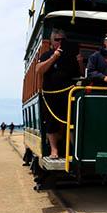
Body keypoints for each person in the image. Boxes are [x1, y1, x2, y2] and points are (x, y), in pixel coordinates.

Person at [36, 29, 82, 158]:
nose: (60, 42)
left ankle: (74, 150)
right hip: (50, 95)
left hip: (68, 94)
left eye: (62, 40)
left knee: (72, 121)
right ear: (52, 41)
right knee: (51, 123)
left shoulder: (70, 57)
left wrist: (79, 61)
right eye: (57, 39)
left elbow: (80, 75)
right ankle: (54, 150)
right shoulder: (46, 54)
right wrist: (54, 57)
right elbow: (39, 70)